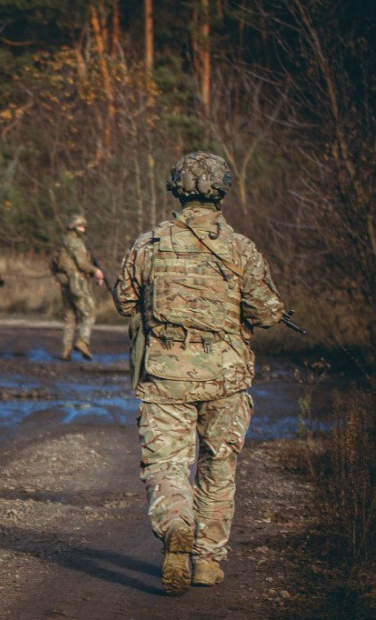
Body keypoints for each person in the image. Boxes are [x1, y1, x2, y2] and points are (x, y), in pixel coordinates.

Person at [112, 152, 285, 595]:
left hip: (166, 375)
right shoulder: (241, 248)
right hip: (226, 377)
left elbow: (125, 301)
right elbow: (266, 313)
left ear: (177, 188)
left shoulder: (149, 244)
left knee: (167, 464)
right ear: (222, 189)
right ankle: (208, 561)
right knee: (219, 466)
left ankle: (175, 523)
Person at [50, 214, 105, 360]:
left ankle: (66, 351)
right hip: (77, 282)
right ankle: (83, 341)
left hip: (65, 283)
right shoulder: (76, 243)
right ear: (74, 227)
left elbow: (53, 263)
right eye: (81, 226)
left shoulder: (61, 242)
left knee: (70, 317)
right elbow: (81, 264)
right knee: (89, 313)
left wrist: (57, 277)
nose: (84, 229)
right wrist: (96, 271)